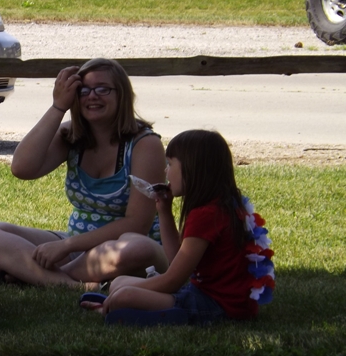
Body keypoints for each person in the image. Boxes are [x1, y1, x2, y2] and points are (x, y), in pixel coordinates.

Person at [0, 58, 168, 289]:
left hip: (123, 250)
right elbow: (22, 168)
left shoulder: (145, 144)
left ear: (121, 95)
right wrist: (58, 107)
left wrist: (66, 246)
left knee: (137, 248)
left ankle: (40, 276)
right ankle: (74, 284)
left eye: (103, 89)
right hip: (76, 247)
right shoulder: (72, 135)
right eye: (83, 90)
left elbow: (137, 224)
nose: (92, 96)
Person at [81, 130, 274, 325]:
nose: (166, 171)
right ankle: (124, 303)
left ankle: (135, 311)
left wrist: (127, 293)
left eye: (170, 164)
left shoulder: (207, 215)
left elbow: (172, 281)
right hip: (207, 295)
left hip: (216, 306)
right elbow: (175, 260)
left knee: (124, 295)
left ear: (193, 169)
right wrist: (165, 211)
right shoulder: (221, 205)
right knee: (119, 282)